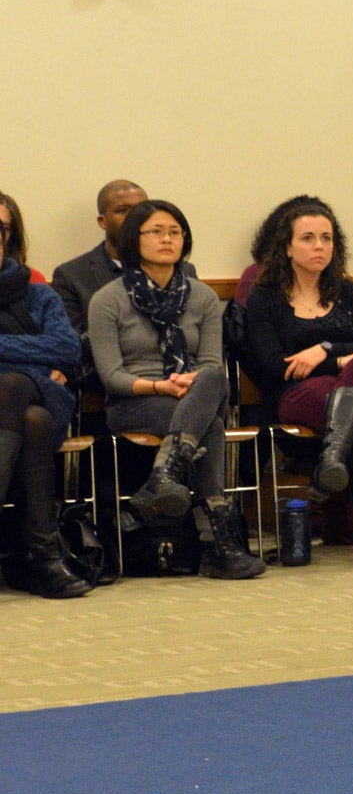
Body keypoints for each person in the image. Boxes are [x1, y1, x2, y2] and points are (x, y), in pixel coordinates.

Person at [88, 199, 264, 579]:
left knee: (214, 377)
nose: (167, 239)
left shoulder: (201, 297)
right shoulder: (108, 300)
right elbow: (111, 376)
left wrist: (187, 384)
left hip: (193, 392)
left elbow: (210, 364)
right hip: (135, 401)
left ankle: (165, 475)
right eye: (156, 232)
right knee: (210, 426)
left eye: (175, 232)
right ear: (134, 240)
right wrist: (160, 385)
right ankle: (216, 542)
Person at [237, 196, 353, 570]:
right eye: (308, 238)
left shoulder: (346, 291)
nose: (319, 246)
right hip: (297, 396)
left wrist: (322, 353)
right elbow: (272, 366)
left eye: (326, 238)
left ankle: (331, 458)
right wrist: (339, 357)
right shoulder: (265, 296)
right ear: (288, 247)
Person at [1, 190, 91, 598]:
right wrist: (34, 360)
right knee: (30, 418)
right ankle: (43, 558)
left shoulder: (38, 293)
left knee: (15, 385)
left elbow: (68, 348)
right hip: (30, 405)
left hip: (42, 394)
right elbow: (49, 351)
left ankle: (40, 558)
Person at [50, 178, 151, 395]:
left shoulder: (179, 271)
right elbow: (73, 344)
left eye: (142, 210)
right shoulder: (71, 275)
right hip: (103, 377)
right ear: (102, 221)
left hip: (170, 370)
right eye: (123, 210)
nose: (135, 219)